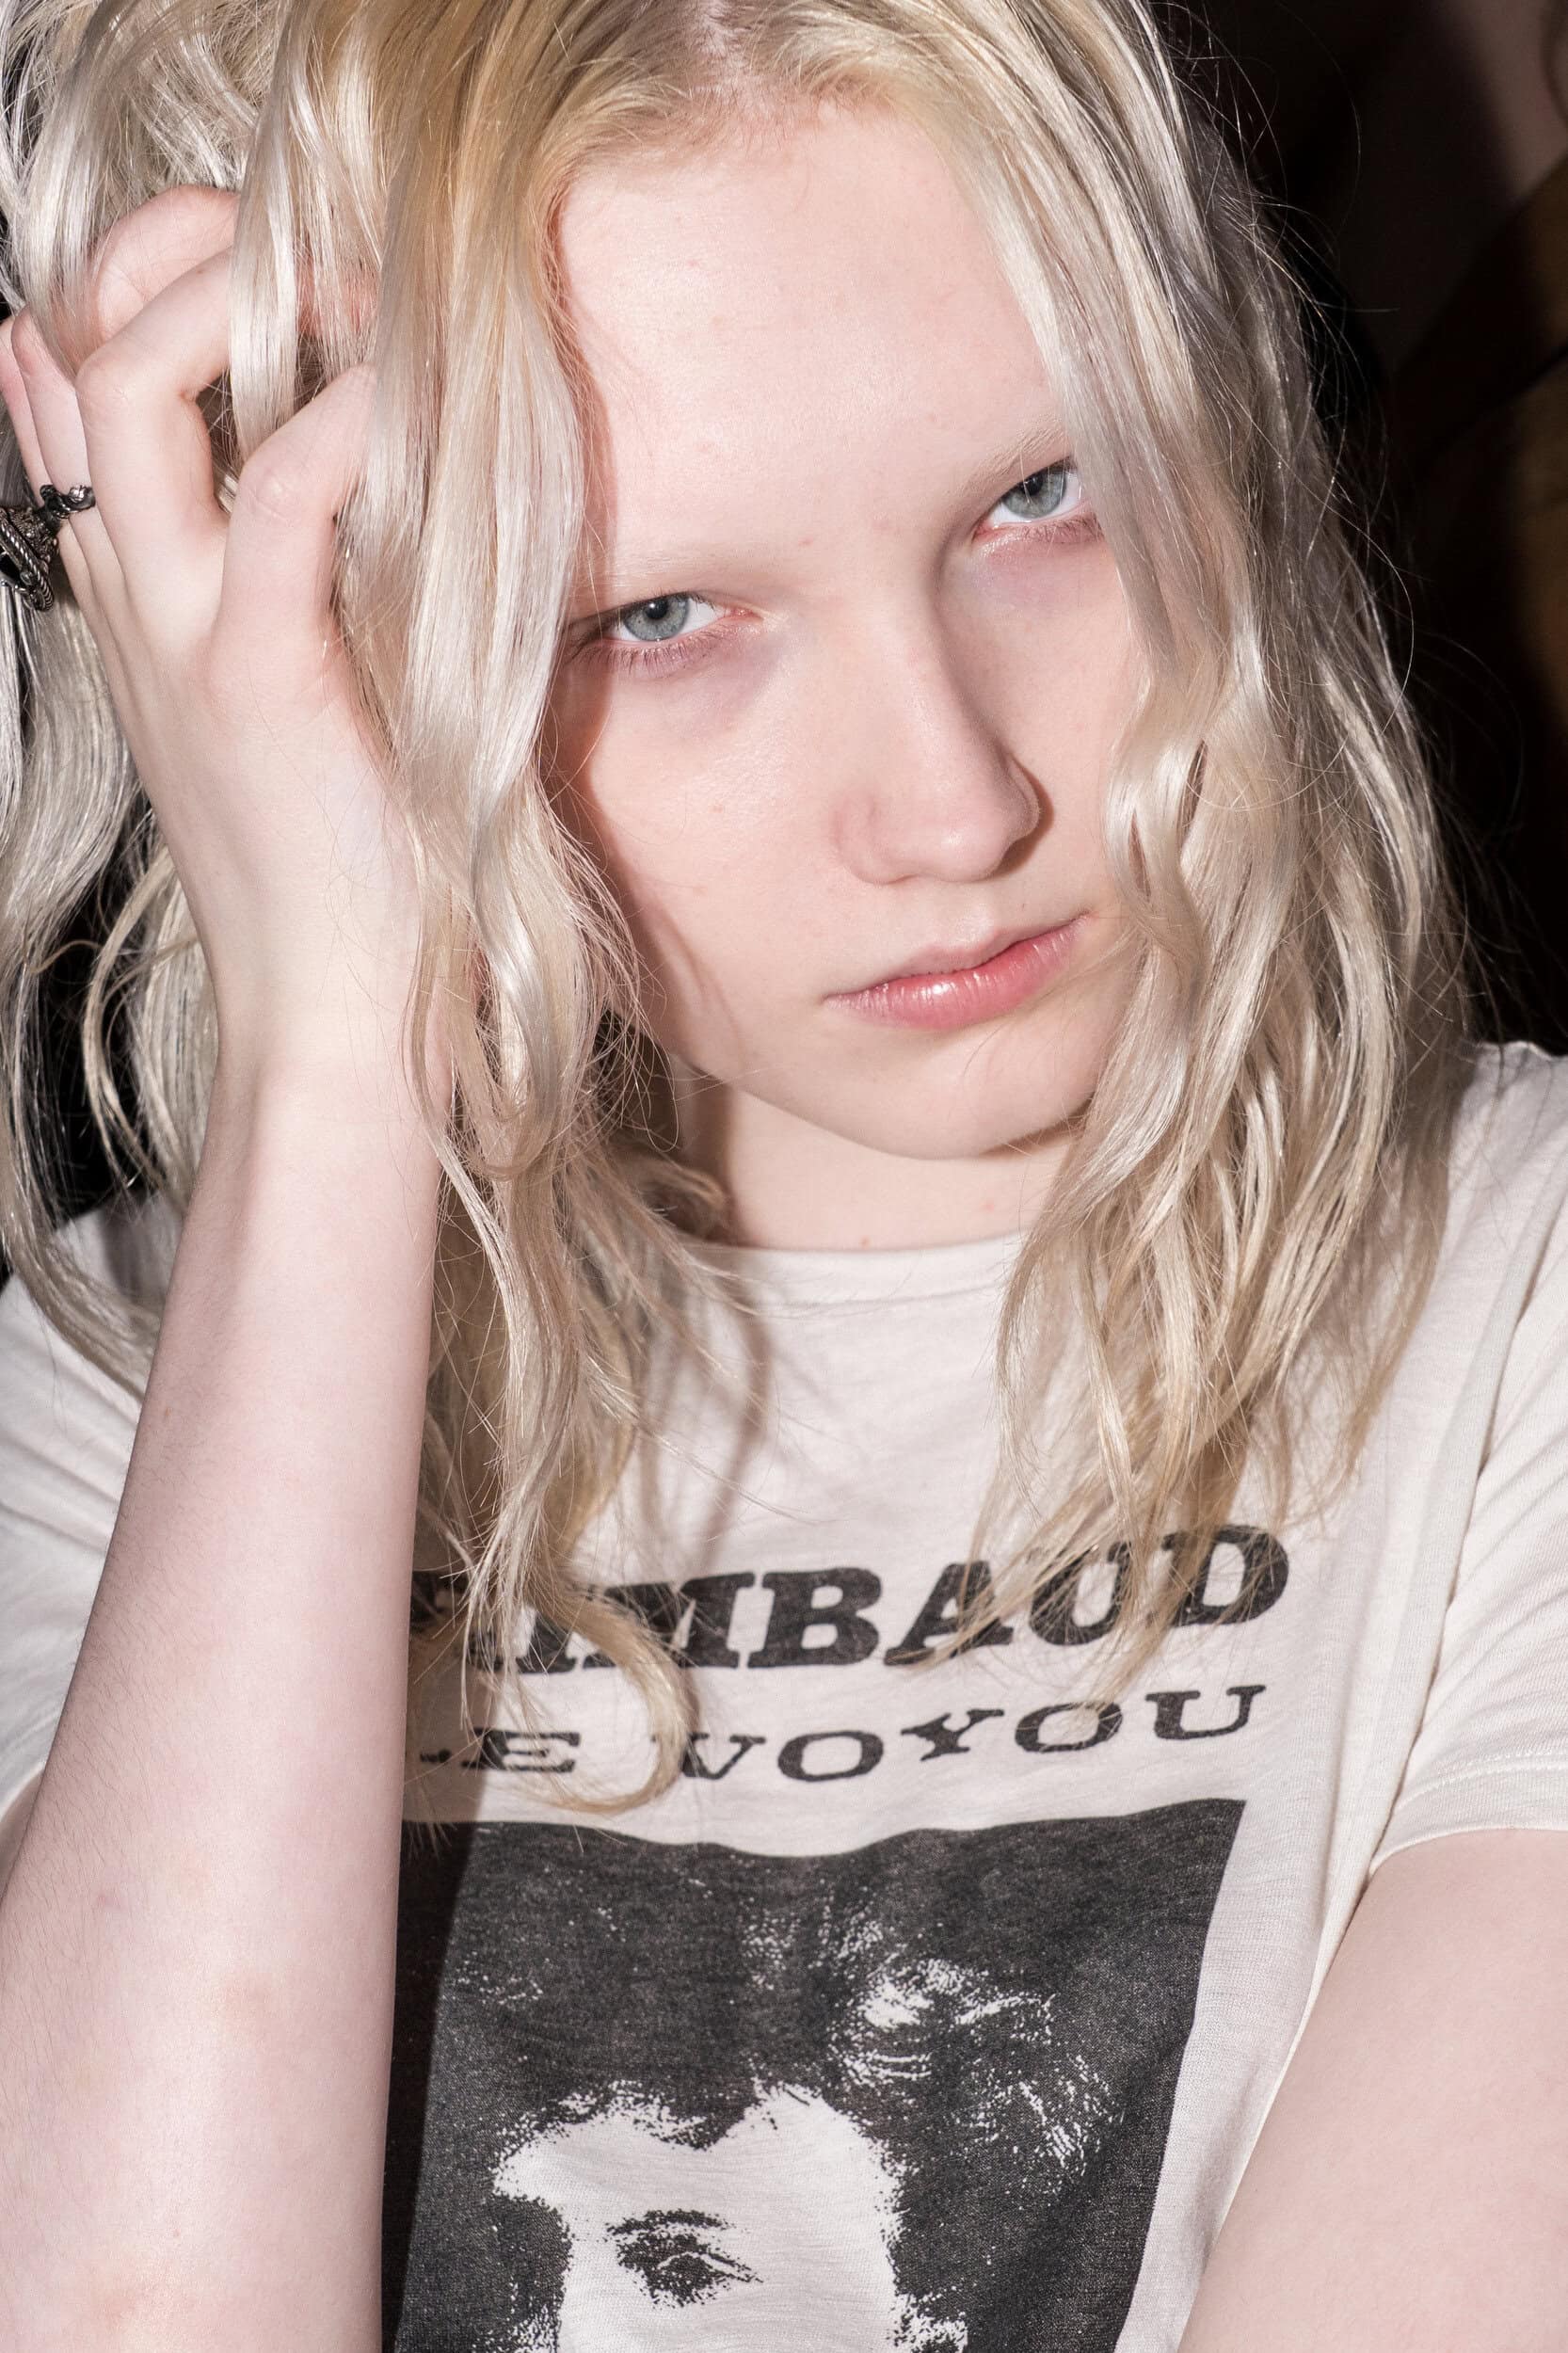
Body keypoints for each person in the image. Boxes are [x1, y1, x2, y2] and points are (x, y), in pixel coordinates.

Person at [0, 2, 1566, 2348]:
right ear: (346, 653)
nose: (951, 802)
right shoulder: (134, 1389)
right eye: (652, 617)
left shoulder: (1513, 1311)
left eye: (1040, 498)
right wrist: (331, 1050)